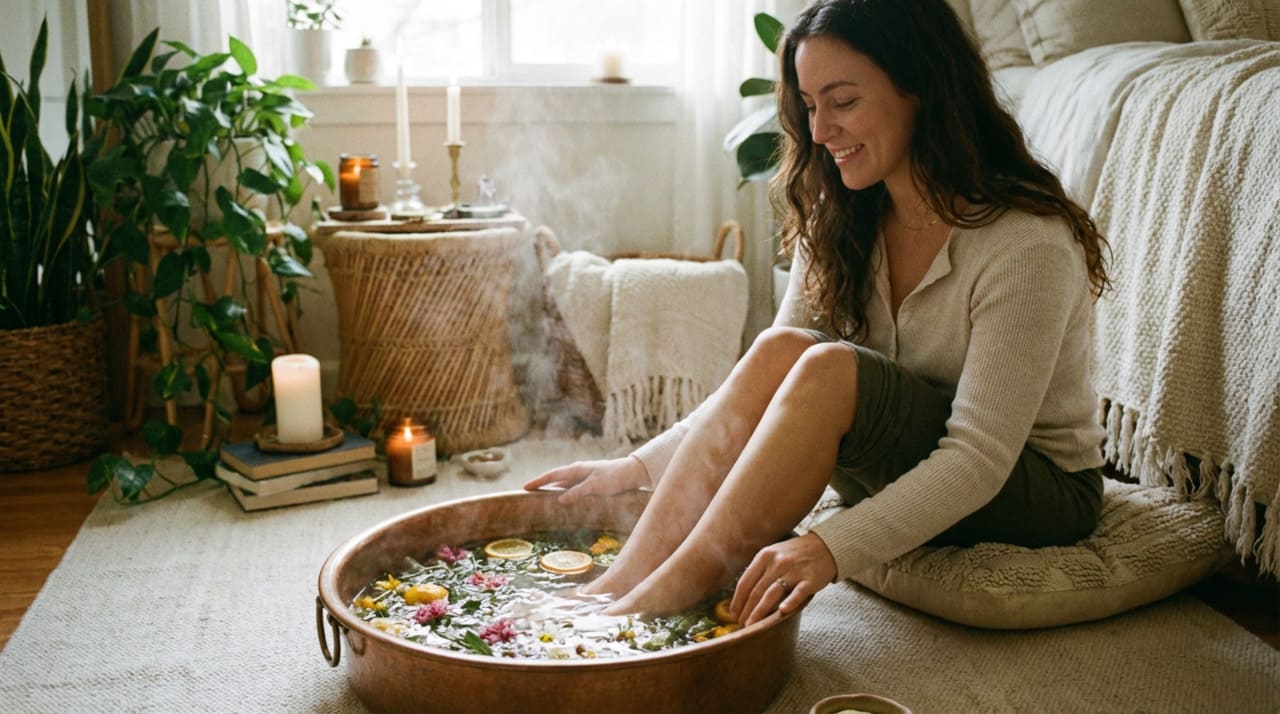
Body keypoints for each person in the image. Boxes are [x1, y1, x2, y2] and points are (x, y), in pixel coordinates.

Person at [525, 0, 1110, 628]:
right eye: (809, 105)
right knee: (786, 351)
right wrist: (636, 467)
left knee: (827, 366)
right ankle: (625, 580)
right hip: (898, 464)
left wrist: (828, 548)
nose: (820, 131)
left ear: (920, 89)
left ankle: (657, 603)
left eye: (844, 101)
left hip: (1029, 488)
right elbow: (755, 388)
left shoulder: (1024, 243)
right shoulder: (842, 216)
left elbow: (978, 459)